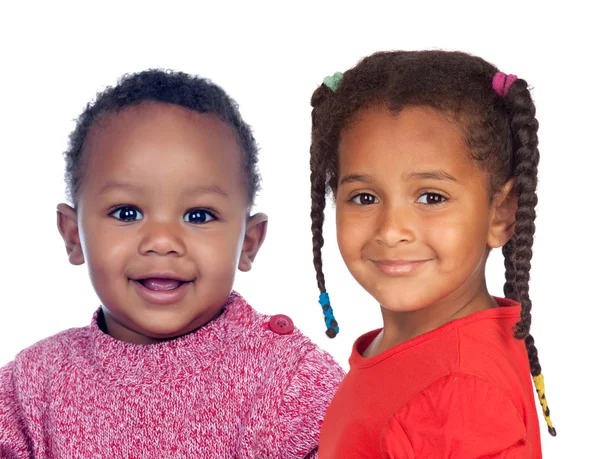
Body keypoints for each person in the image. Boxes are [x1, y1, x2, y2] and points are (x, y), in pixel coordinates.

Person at [0, 69, 344, 458]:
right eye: (127, 212)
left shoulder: (291, 381)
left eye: (198, 216)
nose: (162, 242)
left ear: (249, 243)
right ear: (73, 235)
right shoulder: (30, 387)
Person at [308, 50, 554, 458]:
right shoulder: (403, 349)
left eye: (431, 196)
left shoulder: (462, 396)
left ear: (501, 213)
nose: (391, 230)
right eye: (364, 196)